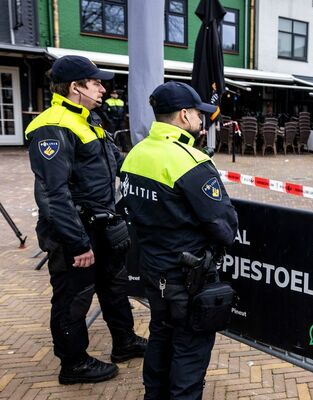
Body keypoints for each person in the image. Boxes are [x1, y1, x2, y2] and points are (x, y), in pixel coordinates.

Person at [24, 55, 147, 385]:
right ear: (75, 87)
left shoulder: (89, 120)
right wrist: (77, 243)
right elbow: (53, 194)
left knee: (114, 286)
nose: (103, 88)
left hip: (102, 226)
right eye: (95, 82)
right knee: (73, 298)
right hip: (74, 232)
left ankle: (125, 342)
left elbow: (112, 164)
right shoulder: (52, 125)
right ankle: (74, 363)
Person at [120, 81, 238, 400]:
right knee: (189, 352)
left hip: (153, 270)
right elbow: (225, 226)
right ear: (184, 116)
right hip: (187, 279)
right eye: (199, 114)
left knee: (160, 336)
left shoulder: (135, 154)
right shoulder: (190, 161)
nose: (202, 120)